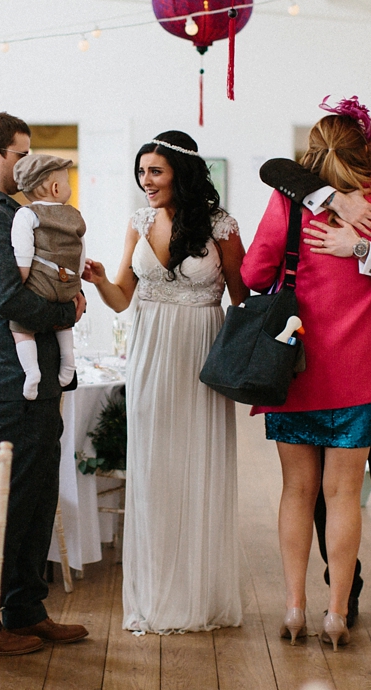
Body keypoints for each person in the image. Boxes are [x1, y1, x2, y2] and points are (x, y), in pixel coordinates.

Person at [241, 104, 371, 650]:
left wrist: (350, 246)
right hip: (362, 377)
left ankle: (296, 609)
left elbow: (251, 275)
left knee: (300, 492)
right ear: (360, 146)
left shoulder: (291, 201)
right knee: (342, 495)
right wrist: (345, 204)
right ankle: (339, 612)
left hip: (299, 370)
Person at [83, 131, 247, 634]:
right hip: (150, 350)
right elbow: (121, 299)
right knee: (153, 466)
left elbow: (241, 300)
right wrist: (97, 279)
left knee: (197, 461)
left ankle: (200, 595)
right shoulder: (139, 222)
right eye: (141, 172)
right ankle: (155, 595)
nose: (145, 181)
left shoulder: (221, 224)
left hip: (201, 348)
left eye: (155, 171)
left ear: (181, 171)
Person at [0, 111, 89, 656]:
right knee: (9, 503)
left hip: (29, 378)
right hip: (12, 377)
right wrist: (64, 314)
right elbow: (4, 301)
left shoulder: (13, 211)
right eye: (20, 154)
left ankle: (26, 610)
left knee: (35, 499)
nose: (27, 164)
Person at [8, 154, 85, 400]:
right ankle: (69, 362)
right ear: (55, 188)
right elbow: (81, 250)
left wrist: (21, 282)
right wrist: (77, 282)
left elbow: (23, 253)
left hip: (41, 283)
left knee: (20, 328)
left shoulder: (26, 214)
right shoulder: (74, 215)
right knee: (64, 320)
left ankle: (31, 373)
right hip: (70, 284)